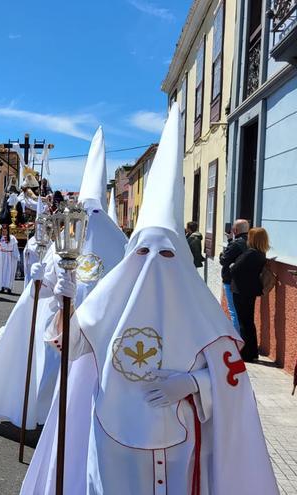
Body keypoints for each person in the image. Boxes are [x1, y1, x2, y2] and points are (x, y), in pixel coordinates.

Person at [29, 109, 277, 494]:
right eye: (143, 253)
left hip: (179, 445)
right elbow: (66, 344)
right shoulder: (108, 303)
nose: (151, 267)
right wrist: (64, 299)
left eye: (164, 255)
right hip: (112, 442)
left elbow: (232, 380)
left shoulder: (204, 315)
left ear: (179, 259)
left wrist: (194, 383)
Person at [0, 126, 126, 460]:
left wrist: (49, 287)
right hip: (67, 324)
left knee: (74, 379)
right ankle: (46, 421)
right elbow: (49, 281)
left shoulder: (116, 242)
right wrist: (46, 283)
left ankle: (59, 423)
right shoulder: (108, 240)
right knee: (54, 377)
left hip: (91, 331)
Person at [230, 227, 270, 362]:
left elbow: (235, 269)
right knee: (248, 322)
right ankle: (252, 352)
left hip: (241, 291)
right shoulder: (261, 253)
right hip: (250, 291)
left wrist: (231, 266)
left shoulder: (250, 253)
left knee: (244, 322)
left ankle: (247, 353)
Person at [219, 218, 249, 330]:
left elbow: (224, 260)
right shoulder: (252, 242)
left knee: (234, 312)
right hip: (247, 281)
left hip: (231, 282)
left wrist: (224, 251)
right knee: (244, 313)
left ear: (235, 230)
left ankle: (238, 341)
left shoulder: (235, 244)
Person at [0, 224, 19, 294]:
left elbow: (15, 248)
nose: (4, 232)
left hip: (9, 257)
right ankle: (1, 286)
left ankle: (9, 286)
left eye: (5, 231)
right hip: (1, 257)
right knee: (1, 272)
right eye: (3, 231)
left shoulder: (12, 238)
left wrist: (16, 256)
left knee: (9, 272)